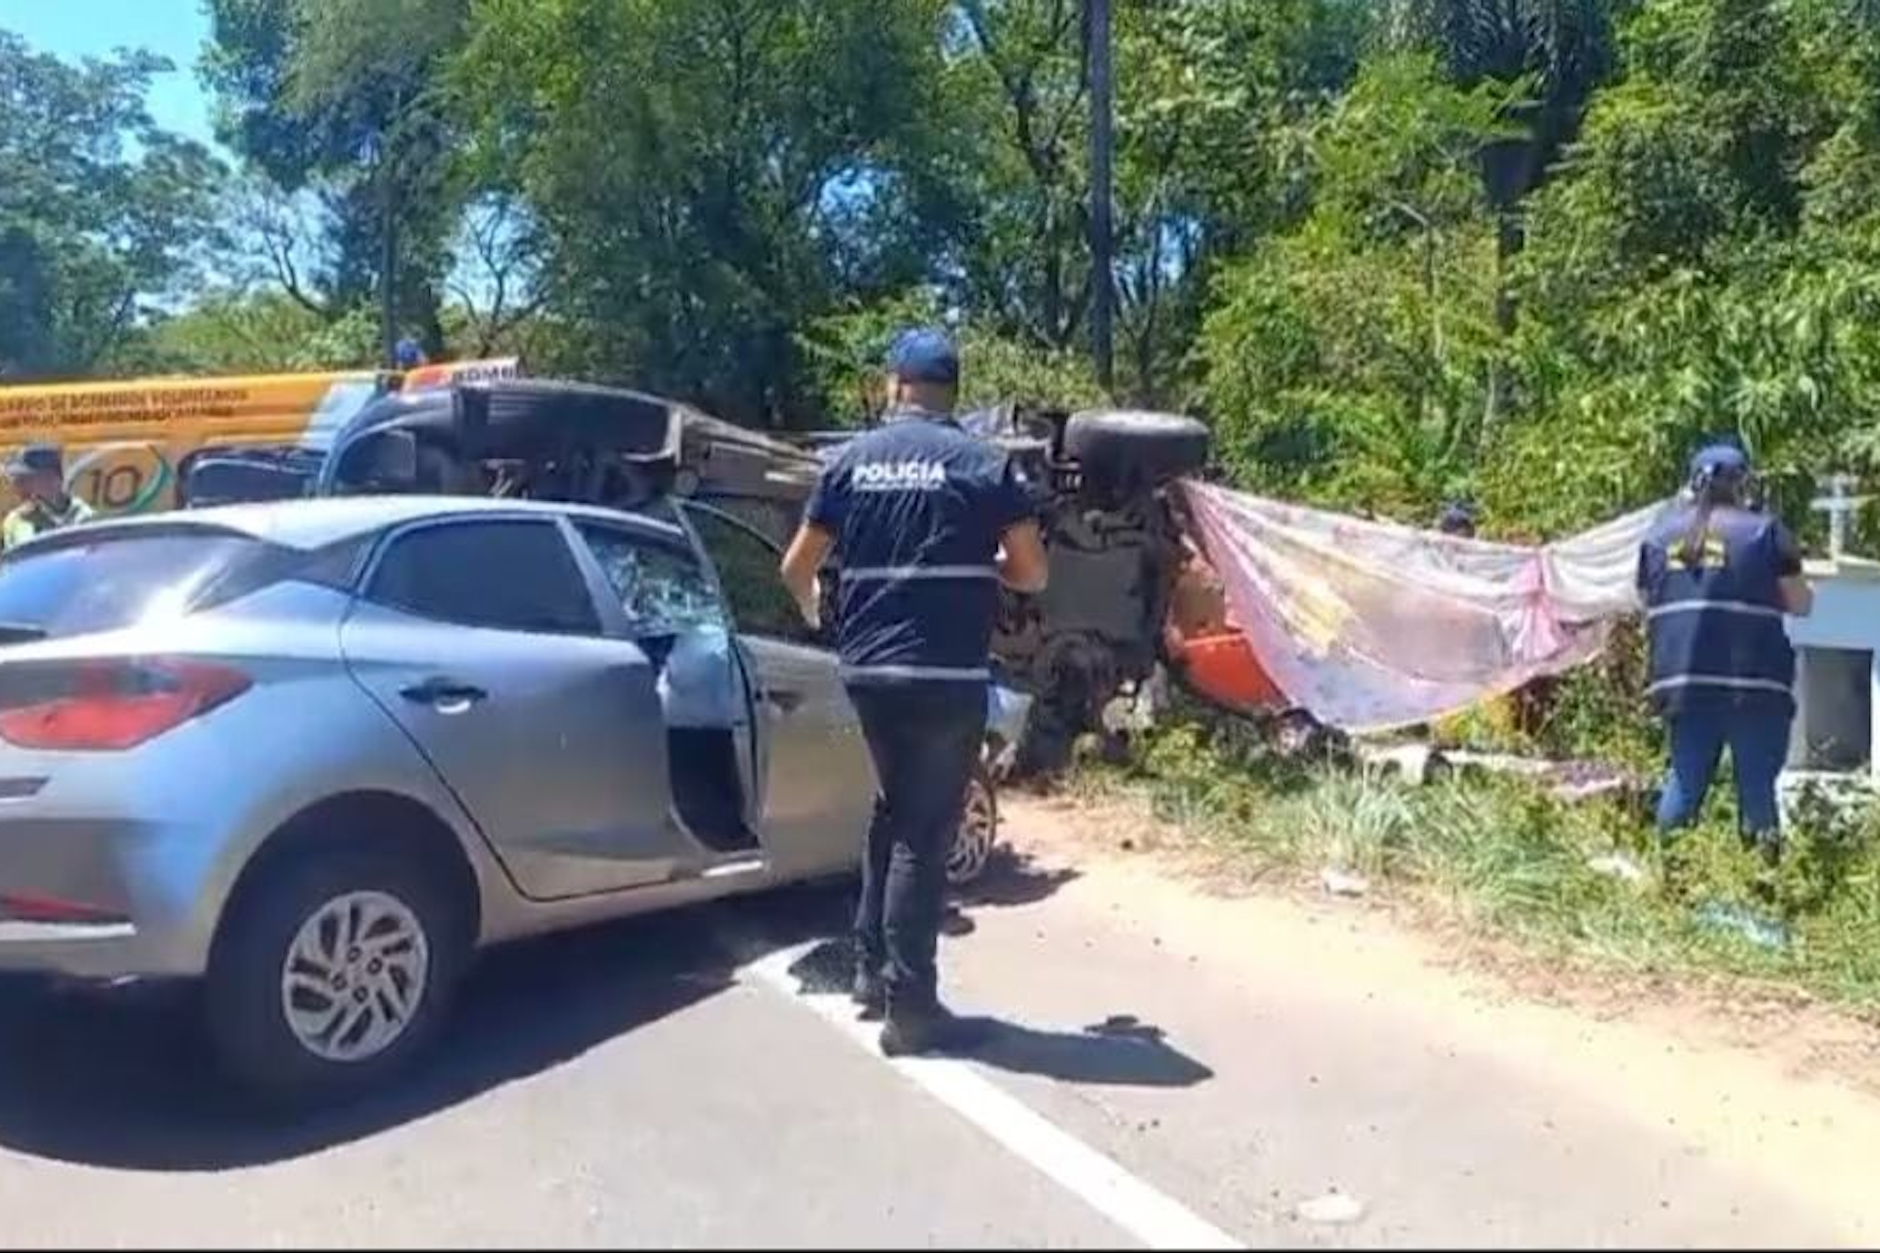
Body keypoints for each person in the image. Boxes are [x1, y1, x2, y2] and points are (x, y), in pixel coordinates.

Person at [780, 328, 1049, 1057]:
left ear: (895, 384)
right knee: (925, 836)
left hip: (867, 671)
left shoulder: (849, 462)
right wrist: (987, 560)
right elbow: (1034, 574)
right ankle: (912, 1005)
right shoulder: (982, 464)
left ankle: (870, 970)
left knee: (893, 809)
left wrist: (820, 616)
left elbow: (795, 568)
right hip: (944, 673)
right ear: (953, 392)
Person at [1638, 444, 1814, 864]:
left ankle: (1671, 886)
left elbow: (1647, 600)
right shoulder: (1765, 532)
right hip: (1753, 686)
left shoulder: (1658, 537)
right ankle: (1763, 890)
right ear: (1742, 485)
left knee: (1683, 786)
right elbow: (1801, 604)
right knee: (1756, 792)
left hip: (1684, 687)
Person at [2, 443, 93, 551]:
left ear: (53, 479)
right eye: (18, 479)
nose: (20, 487)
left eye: (29, 479)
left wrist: (48, 524)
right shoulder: (14, 521)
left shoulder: (85, 518)